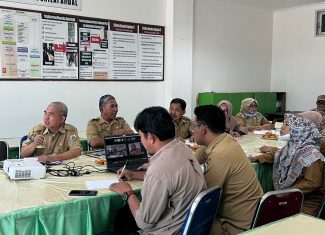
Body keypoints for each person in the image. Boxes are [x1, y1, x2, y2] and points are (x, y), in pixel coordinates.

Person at [109, 106, 206, 234]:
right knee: (125, 215)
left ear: (150, 137)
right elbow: (169, 177)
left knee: (121, 219)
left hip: (169, 230)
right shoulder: (183, 149)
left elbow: (143, 222)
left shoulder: (158, 171)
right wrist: (134, 175)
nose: (141, 141)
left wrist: (127, 192)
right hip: (187, 223)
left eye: (141, 137)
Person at [192, 105, 263, 235]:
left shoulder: (220, 154)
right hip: (250, 216)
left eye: (194, 126)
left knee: (178, 223)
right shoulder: (224, 139)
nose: (193, 130)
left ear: (203, 129)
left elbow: (203, 195)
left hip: (237, 226)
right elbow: (192, 160)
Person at [250, 113, 325, 216]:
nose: (282, 127)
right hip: (291, 197)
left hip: (305, 203)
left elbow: (312, 182)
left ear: (298, 129)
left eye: (286, 125)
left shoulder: (311, 154)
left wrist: (286, 192)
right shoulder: (292, 146)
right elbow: (278, 155)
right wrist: (256, 158)